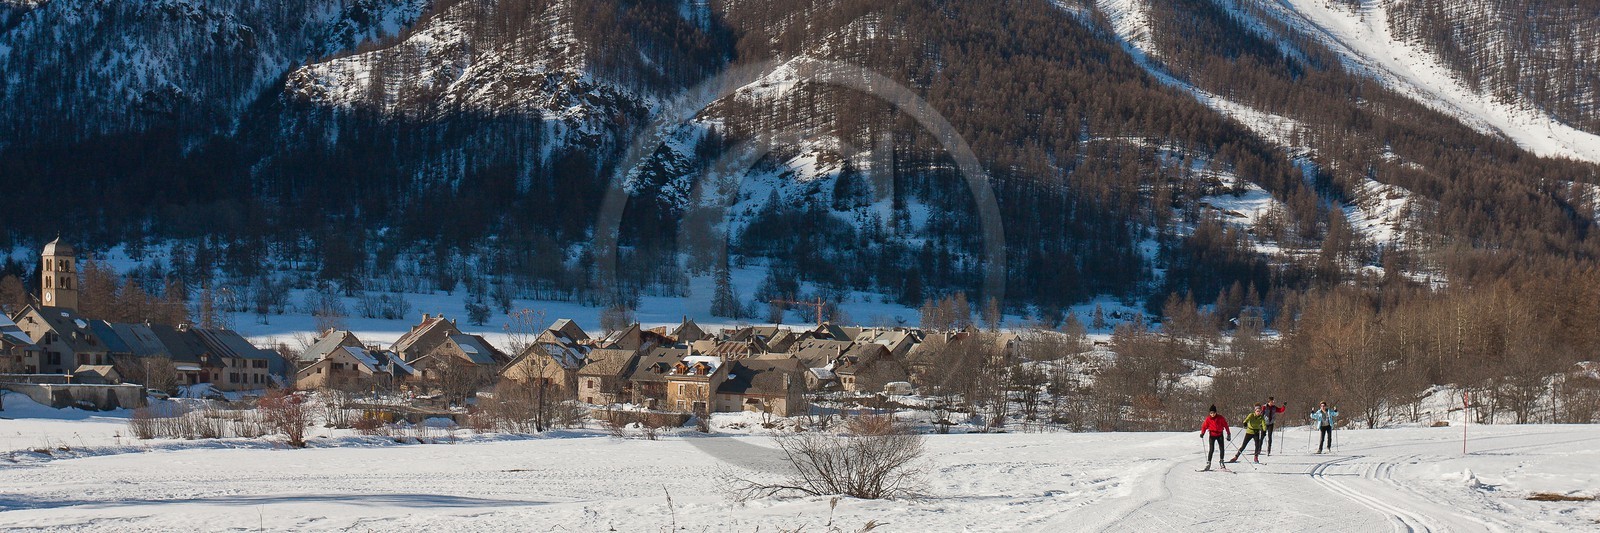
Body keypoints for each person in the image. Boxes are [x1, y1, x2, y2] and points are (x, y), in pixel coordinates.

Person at [1199, 404, 1232, 470]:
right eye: (1211, 413)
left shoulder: (1220, 418)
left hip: (1220, 434)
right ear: (1209, 413)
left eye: (1213, 413)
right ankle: (1208, 463)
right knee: (1211, 449)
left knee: (1222, 448)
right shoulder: (1208, 419)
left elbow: (1226, 425)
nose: (1212, 414)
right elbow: (1204, 426)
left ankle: (1222, 461)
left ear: (1216, 412)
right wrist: (1202, 433)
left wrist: (1228, 434)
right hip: (1212, 435)